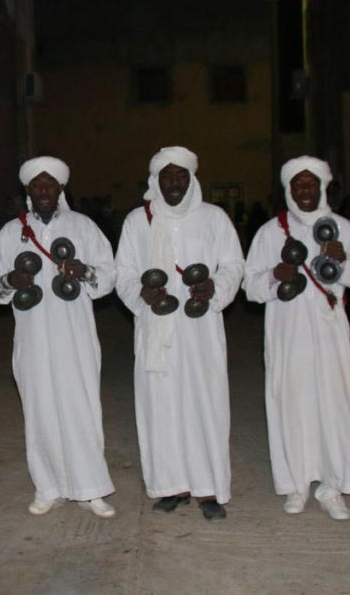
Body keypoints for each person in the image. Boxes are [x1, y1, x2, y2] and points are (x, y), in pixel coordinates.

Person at [0, 156, 117, 518]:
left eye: (50, 184)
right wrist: (11, 281)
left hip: (76, 336)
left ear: (61, 189)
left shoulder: (83, 226)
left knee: (82, 407)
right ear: (28, 190)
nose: (44, 190)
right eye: (37, 185)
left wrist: (85, 270)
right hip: (33, 337)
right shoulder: (12, 232)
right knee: (39, 409)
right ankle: (48, 487)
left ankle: (91, 489)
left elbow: (108, 277)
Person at [114, 147, 244, 520]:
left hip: (200, 329)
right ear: (155, 180)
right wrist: (141, 293)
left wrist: (215, 289)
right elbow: (123, 271)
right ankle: (170, 486)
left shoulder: (213, 218)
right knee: (161, 405)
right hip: (156, 328)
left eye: (181, 175)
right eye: (167, 176)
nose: (174, 182)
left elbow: (233, 264)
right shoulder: (138, 222)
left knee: (205, 402)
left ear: (192, 179)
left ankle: (208, 488)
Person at [243, 156, 350, 520]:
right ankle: (296, 483)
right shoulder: (271, 231)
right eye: (298, 184)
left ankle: (333, 486)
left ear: (322, 188)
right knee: (292, 401)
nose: (305, 190)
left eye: (311, 184)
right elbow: (250, 287)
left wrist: (343, 261)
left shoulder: (343, 228)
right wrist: (275, 275)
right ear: (289, 189)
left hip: (330, 331)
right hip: (288, 332)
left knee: (334, 404)